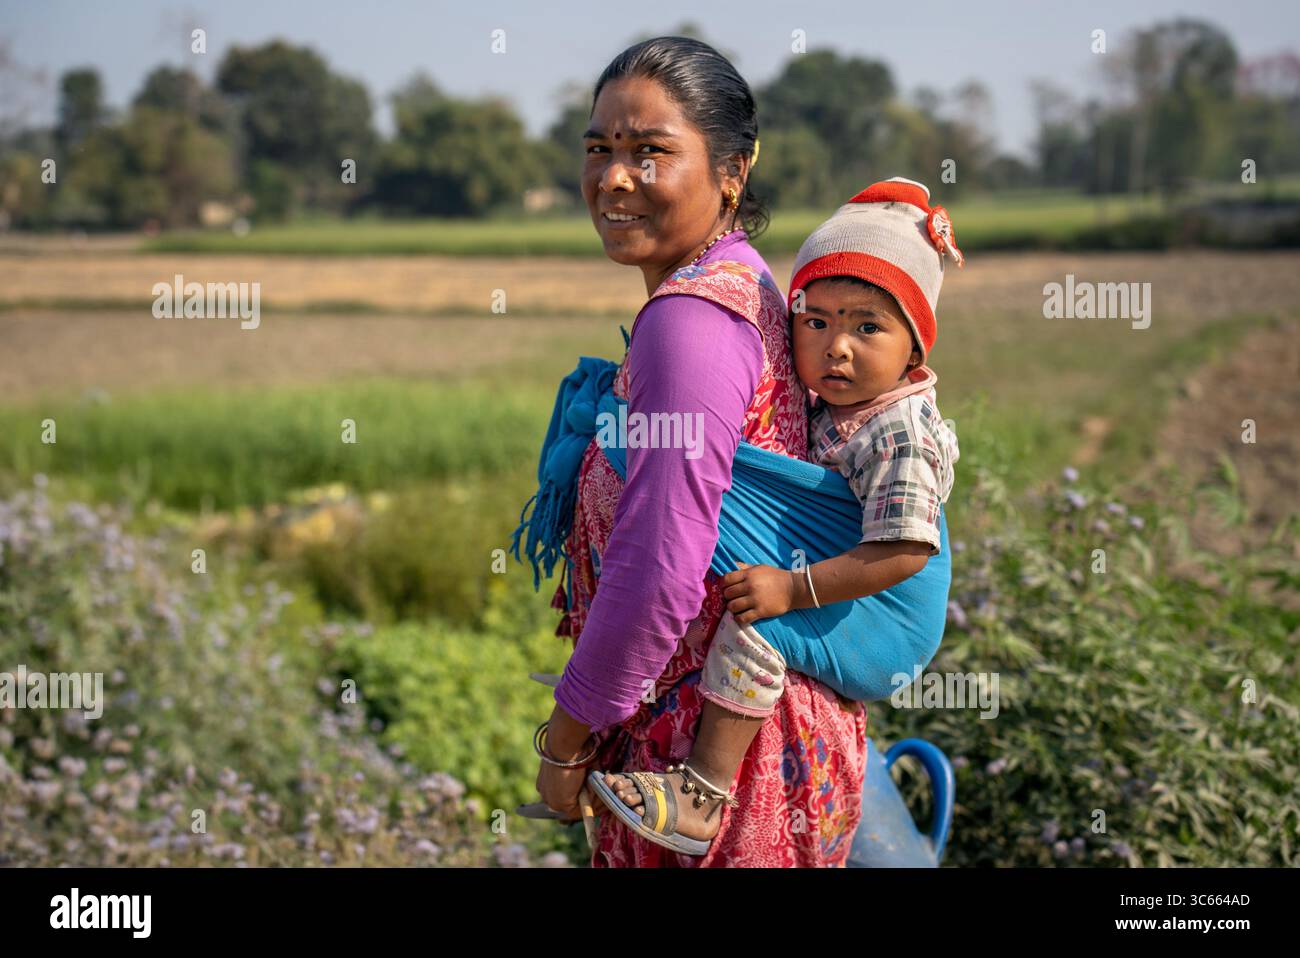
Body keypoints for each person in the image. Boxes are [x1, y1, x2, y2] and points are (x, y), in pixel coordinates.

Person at [531, 36, 869, 867]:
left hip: (709, 773)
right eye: (599, 149)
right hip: (766, 734)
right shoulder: (749, 283)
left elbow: (657, 567)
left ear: (732, 171)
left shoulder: (689, 323)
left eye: (650, 153)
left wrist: (566, 738)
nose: (613, 177)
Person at [589, 177, 963, 855]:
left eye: (867, 326)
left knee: (757, 630)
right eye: (815, 321)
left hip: (886, 612)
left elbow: (907, 550)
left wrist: (793, 589)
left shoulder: (899, 432)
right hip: (849, 581)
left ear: (915, 350)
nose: (836, 347)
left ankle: (702, 794)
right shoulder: (835, 402)